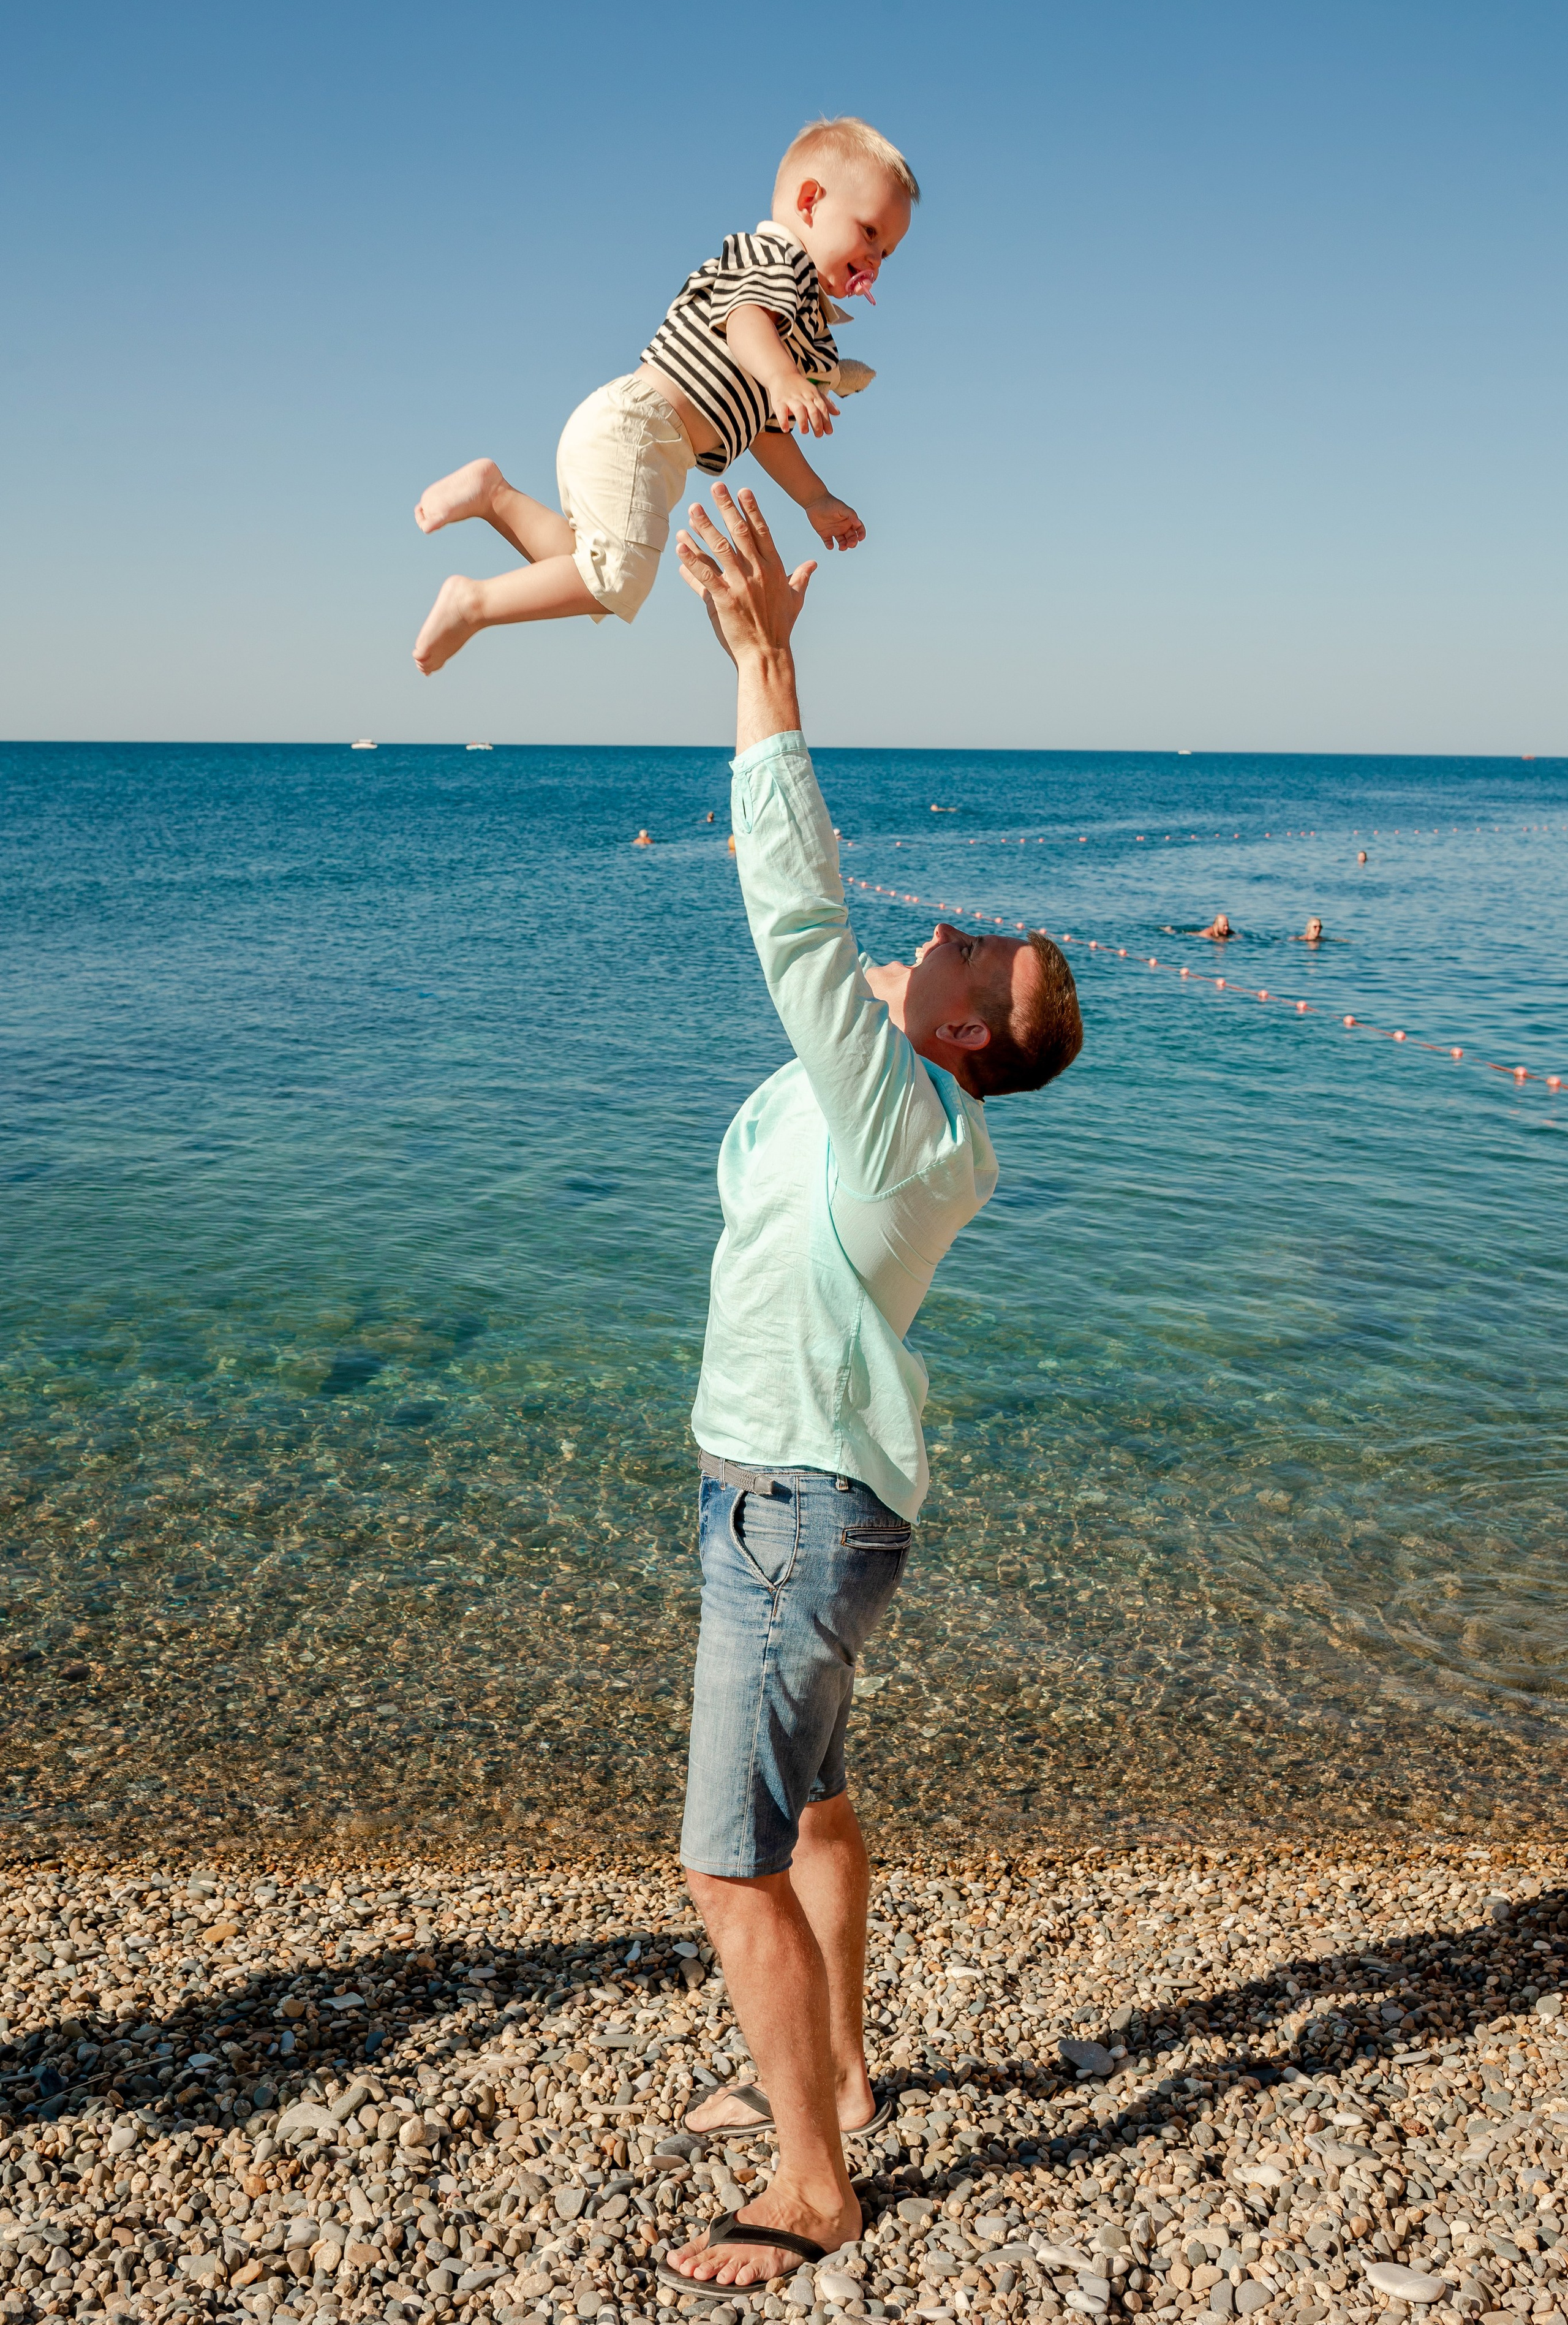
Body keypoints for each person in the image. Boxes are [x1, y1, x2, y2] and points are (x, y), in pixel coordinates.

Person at [657, 485, 1083, 2295]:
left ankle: (812, 2178)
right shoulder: (895, 1117)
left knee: (725, 1860)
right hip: (795, 1495)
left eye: (965, 953)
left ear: (966, 1027)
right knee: (817, 1803)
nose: (945, 934)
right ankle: (824, 2061)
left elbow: (797, 919)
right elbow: (818, 958)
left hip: (794, 1504)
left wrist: (765, 663)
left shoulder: (907, 1112)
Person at [409, 117, 917, 675]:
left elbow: (766, 433)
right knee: (616, 581)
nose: (875, 259)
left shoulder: (797, 321)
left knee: (596, 577)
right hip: (639, 427)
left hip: (637, 435)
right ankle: (471, 602)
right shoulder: (779, 261)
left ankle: (494, 495)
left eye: (887, 253)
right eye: (869, 232)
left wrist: (814, 498)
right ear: (810, 201)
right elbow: (746, 321)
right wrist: (782, 378)